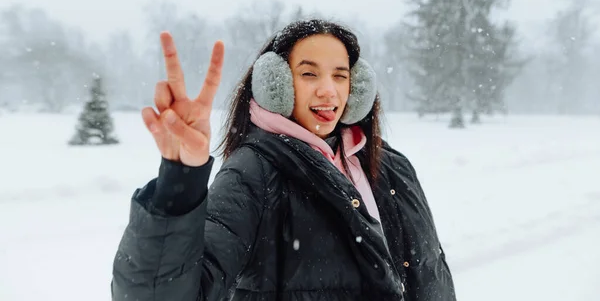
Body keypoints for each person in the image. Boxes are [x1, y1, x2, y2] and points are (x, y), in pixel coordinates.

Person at [111, 19, 457, 301]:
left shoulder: (394, 168)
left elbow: (431, 280)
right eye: (309, 74)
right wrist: (180, 180)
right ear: (275, 83)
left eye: (340, 75)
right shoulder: (253, 175)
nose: (328, 90)